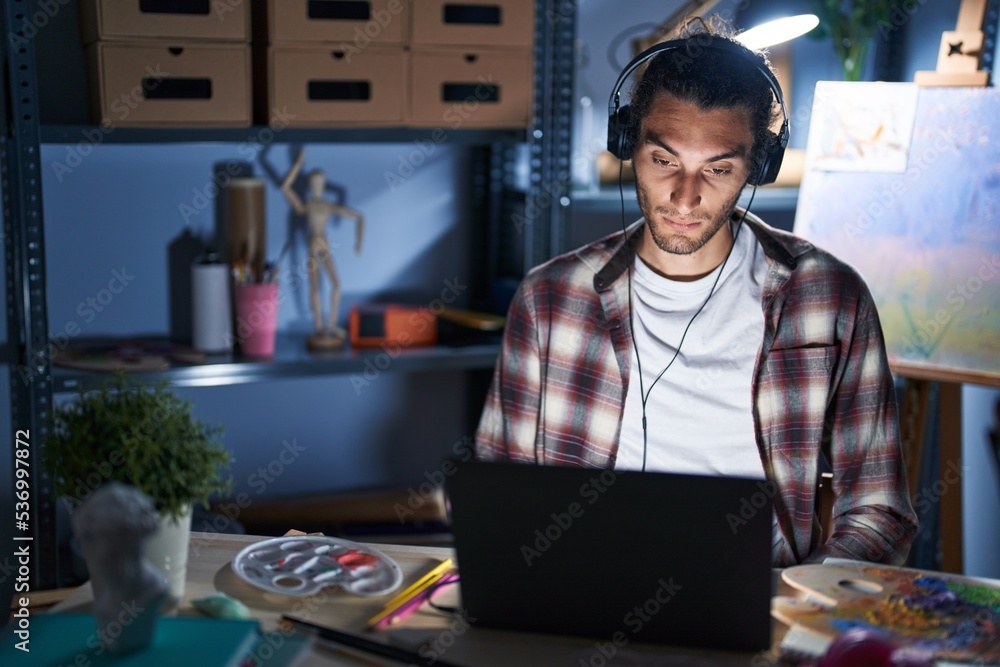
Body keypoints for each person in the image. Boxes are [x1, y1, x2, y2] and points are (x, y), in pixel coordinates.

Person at [475, 24, 917, 567]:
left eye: (718, 168)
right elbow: (503, 497)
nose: (685, 197)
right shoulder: (549, 299)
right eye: (664, 161)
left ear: (758, 168)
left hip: (767, 607)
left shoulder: (829, 298)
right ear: (627, 144)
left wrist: (799, 604)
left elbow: (881, 511)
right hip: (587, 601)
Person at [281, 148, 364, 349]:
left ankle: (332, 324)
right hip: (312, 243)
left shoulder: (328, 205)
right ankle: (319, 326)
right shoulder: (306, 206)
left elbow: (359, 217)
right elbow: (285, 187)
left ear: (323, 184)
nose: (316, 184)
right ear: (310, 184)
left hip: (324, 242)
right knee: (314, 287)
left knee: (336, 284)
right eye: (314, 181)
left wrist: (358, 241)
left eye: (320, 181)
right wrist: (298, 164)